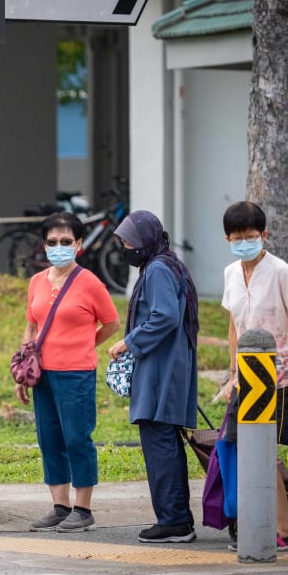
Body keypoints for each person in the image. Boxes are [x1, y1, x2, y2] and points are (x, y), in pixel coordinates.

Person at [221, 201, 288, 552]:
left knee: (264, 451)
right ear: (227, 239)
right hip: (245, 380)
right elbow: (235, 325)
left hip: (280, 378)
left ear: (264, 235)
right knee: (241, 448)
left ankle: (282, 528)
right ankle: (265, 521)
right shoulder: (231, 273)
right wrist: (232, 370)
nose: (245, 242)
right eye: (238, 237)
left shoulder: (281, 271)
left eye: (251, 236)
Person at [16, 212, 120, 532]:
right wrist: (23, 366)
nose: (58, 247)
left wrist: (86, 343)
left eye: (65, 242)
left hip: (76, 373)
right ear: (44, 245)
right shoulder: (36, 281)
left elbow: (112, 323)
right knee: (49, 439)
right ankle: (60, 505)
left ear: (78, 245)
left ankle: (83, 508)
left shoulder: (90, 283)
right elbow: (31, 325)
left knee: (77, 438)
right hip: (42, 373)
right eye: (52, 242)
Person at [108, 210, 200, 543]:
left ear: (146, 240)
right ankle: (176, 519)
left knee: (160, 442)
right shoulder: (166, 264)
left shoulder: (158, 269)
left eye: (129, 241)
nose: (125, 248)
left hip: (160, 368)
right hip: (166, 364)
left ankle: (174, 521)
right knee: (165, 442)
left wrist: (128, 341)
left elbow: (165, 316)